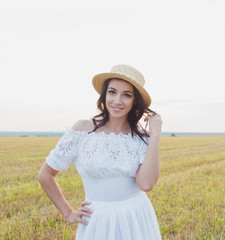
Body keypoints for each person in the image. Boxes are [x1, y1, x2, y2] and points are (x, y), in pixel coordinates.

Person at [38, 64, 162, 239]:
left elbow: (146, 184)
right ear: (104, 95)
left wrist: (155, 135)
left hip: (135, 218)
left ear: (135, 101)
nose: (117, 100)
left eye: (126, 95)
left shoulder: (141, 138)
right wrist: (68, 213)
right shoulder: (82, 130)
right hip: (96, 221)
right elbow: (45, 175)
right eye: (112, 92)